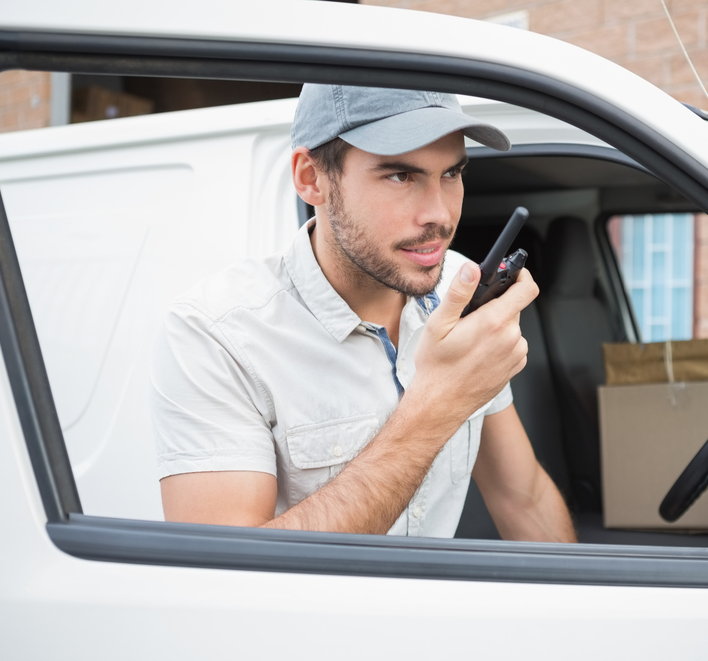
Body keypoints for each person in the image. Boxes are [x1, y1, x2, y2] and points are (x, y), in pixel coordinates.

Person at [151, 84, 576, 542]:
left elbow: (522, 496)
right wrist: (441, 400)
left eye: (451, 173)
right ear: (312, 178)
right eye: (400, 176)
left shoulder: (461, 288)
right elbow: (226, 577)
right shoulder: (216, 335)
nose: (439, 215)